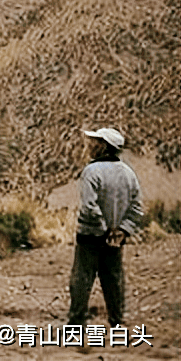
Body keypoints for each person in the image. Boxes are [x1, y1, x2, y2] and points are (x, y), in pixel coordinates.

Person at [66, 127, 143, 327]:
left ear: (103, 147)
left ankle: (76, 324)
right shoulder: (129, 174)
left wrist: (103, 230)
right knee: (114, 281)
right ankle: (117, 323)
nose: (91, 146)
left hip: (90, 236)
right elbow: (136, 208)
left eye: (95, 142)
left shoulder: (91, 172)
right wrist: (121, 231)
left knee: (81, 280)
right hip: (115, 239)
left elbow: (89, 206)